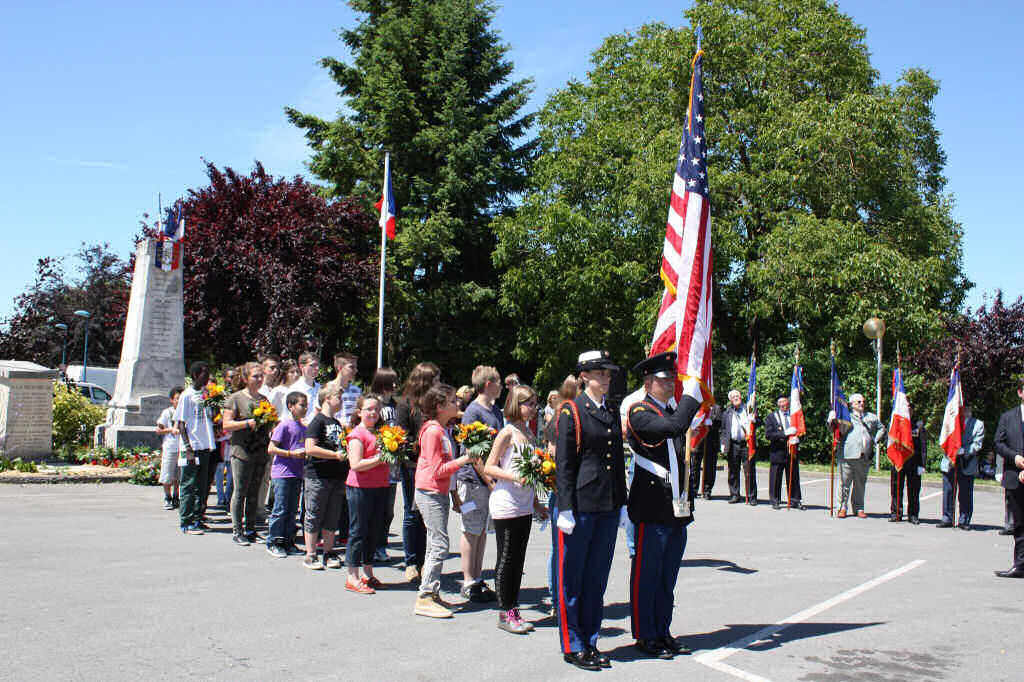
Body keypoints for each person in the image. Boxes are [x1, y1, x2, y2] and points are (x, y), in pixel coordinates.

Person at [625, 352, 701, 660]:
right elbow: (672, 428)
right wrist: (693, 395)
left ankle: (663, 630)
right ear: (648, 382)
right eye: (664, 379)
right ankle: (646, 635)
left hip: (676, 508)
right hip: (652, 507)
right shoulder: (639, 411)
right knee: (648, 576)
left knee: (668, 577)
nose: (671, 383)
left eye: (673, 379)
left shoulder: (669, 409)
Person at [554, 350, 627, 672]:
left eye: (608, 374)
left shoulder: (610, 410)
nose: (606, 378)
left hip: (607, 505)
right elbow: (565, 465)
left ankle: (591, 640)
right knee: (572, 578)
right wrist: (565, 507)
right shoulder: (572, 411)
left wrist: (622, 503)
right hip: (581, 506)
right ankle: (573, 644)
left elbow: (617, 463)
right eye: (600, 373)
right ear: (584, 376)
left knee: (596, 579)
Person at [483, 384, 549, 634]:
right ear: (515, 404)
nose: (533, 409)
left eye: (534, 404)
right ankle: (505, 611)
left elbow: (531, 473)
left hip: (523, 505)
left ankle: (514, 608)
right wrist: (512, 476)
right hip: (506, 503)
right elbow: (490, 467)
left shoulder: (529, 433)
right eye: (528, 404)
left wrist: (536, 504)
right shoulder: (507, 432)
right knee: (507, 557)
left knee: (518, 558)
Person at [413, 384, 473, 618]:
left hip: (437, 491)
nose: (456, 405)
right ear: (439, 407)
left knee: (434, 544)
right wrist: (464, 460)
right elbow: (438, 470)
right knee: (439, 545)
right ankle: (425, 596)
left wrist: (454, 494)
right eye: (451, 401)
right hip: (429, 491)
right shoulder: (433, 432)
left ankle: (432, 592)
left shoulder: (442, 429)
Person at [457, 365, 502, 603]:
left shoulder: (496, 411)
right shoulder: (472, 412)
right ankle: (467, 581)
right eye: (499, 382)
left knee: (483, 529)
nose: (502, 387)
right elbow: (472, 451)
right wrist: (488, 479)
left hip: (490, 480)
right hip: (472, 481)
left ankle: (476, 576)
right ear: (488, 384)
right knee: (470, 527)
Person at [395, 362, 439, 583]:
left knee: (427, 515)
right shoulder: (406, 405)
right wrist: (422, 445)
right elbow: (401, 437)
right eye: (435, 380)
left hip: (432, 467)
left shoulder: (433, 406)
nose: (438, 384)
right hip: (413, 466)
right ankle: (411, 562)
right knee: (412, 513)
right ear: (425, 381)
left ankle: (423, 561)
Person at [222, 362, 271, 545]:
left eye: (261, 376)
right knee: (240, 490)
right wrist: (247, 423)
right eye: (255, 376)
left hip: (260, 449)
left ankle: (251, 529)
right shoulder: (236, 398)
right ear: (245, 378)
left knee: (254, 490)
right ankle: (237, 530)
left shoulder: (264, 399)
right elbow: (226, 425)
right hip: (242, 450)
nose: (259, 379)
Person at [345, 393, 389, 594]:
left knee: (374, 530)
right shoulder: (357, 434)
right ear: (359, 412)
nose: (373, 413)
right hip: (360, 488)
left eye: (376, 410)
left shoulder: (381, 433)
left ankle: (368, 573)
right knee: (358, 531)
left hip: (380, 486)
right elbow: (355, 464)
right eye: (369, 409)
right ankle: (352, 576)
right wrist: (381, 458)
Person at [303, 384, 349, 570]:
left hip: (336, 476)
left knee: (333, 515)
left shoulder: (336, 423)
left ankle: (328, 551)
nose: (342, 401)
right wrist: (334, 456)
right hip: (318, 475)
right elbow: (310, 448)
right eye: (339, 397)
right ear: (328, 398)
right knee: (314, 513)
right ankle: (310, 553)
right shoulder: (317, 422)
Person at [175, 362, 217, 535]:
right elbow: (181, 424)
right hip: (192, 445)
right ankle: (186, 520)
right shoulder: (187, 395)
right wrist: (187, 447)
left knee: (203, 484)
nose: (207, 377)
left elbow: (211, 417)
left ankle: (198, 517)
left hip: (206, 444)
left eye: (208, 374)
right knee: (189, 484)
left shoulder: (207, 395)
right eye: (204, 374)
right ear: (195, 375)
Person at [265, 391, 308, 558]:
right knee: (280, 508)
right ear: (291, 406)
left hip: (297, 473)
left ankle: (288, 541)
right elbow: (271, 448)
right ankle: (274, 540)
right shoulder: (284, 425)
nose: (304, 408)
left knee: (292, 510)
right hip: (282, 473)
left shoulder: (304, 428)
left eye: (306, 405)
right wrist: (291, 454)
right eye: (301, 405)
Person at [830, 393, 886, 518]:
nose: (862, 404)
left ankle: (859, 508)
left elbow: (882, 428)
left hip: (864, 455)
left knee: (860, 483)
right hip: (847, 454)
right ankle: (842, 507)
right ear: (851, 404)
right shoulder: (845, 416)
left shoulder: (871, 416)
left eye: (863, 401)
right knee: (844, 483)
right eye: (858, 402)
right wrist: (831, 420)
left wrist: (875, 440)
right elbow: (833, 430)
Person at [994, 378, 1024, 578]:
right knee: (1020, 524)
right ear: (1020, 392)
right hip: (1015, 477)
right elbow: (998, 443)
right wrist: (1015, 457)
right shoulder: (1008, 417)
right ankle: (1020, 565)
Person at [938, 405, 984, 530]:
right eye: (963, 409)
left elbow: (977, 444)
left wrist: (965, 451)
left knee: (965, 493)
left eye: (968, 409)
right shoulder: (950, 420)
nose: (966, 412)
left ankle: (964, 520)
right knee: (948, 491)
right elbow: (943, 438)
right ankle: (947, 518)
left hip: (967, 461)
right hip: (950, 460)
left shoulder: (978, 424)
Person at [371, 367, 400, 563]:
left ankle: (381, 545)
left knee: (388, 509)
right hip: (376, 462)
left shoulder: (396, 405)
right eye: (392, 382)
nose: (395, 386)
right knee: (375, 507)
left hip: (393, 465)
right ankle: (370, 545)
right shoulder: (374, 404)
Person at [764, 395, 804, 510]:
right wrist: (785, 433)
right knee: (776, 477)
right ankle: (775, 500)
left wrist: (798, 439)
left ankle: (795, 500)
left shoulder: (794, 416)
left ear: (788, 402)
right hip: (777, 451)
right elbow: (769, 435)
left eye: (784, 402)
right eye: (780, 402)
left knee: (793, 476)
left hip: (792, 450)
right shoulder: (772, 417)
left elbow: (802, 431)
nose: (782, 404)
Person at [720, 389, 757, 504]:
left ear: (741, 397)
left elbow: (759, 423)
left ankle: (751, 497)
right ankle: (734, 495)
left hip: (746, 444)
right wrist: (723, 443)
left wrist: (754, 420)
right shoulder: (727, 413)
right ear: (730, 400)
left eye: (737, 396)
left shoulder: (749, 409)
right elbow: (724, 430)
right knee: (733, 471)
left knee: (749, 471)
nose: (736, 398)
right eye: (733, 397)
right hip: (733, 444)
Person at [890, 405, 925, 524]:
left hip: (914, 463)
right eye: (906, 408)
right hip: (898, 461)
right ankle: (896, 513)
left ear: (913, 411)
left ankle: (913, 515)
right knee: (896, 489)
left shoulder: (918, 425)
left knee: (914, 490)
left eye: (910, 409)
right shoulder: (896, 423)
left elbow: (923, 446)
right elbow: (888, 440)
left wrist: (922, 464)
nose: (908, 411)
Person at [156, 386, 183, 510]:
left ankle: (176, 496)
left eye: (181, 398)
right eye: (177, 398)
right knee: (167, 475)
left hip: (182, 447)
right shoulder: (168, 412)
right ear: (171, 400)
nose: (179, 401)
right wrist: (171, 430)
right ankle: (168, 497)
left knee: (178, 476)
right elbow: (159, 430)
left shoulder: (184, 412)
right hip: (170, 447)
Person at [690, 404, 720, 500]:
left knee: (709, 467)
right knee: (694, 466)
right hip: (697, 441)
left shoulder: (716, 408)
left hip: (710, 442)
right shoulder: (696, 406)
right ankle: (694, 489)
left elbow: (720, 423)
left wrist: (712, 423)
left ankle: (707, 490)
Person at [327, 351, 361, 425]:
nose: (356, 370)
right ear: (340, 368)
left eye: (356, 367)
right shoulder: (327, 389)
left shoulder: (357, 391)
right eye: (351, 367)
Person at [289, 353, 321, 425]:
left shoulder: (320, 388)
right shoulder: (295, 389)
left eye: (317, 365)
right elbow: (288, 414)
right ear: (302, 367)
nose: (316, 368)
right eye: (312, 365)